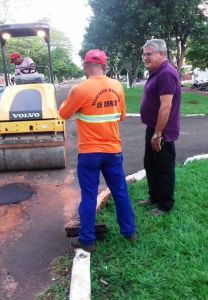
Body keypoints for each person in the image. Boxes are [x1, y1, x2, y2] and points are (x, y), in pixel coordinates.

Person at [59, 49, 137, 252]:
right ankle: (130, 233)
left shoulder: (80, 90)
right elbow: (121, 117)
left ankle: (87, 240)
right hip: (113, 151)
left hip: (90, 153)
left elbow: (63, 114)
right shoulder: (117, 86)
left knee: (89, 195)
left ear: (85, 66)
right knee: (120, 192)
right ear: (105, 66)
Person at [139, 39, 181, 216]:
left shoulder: (166, 73)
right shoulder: (156, 72)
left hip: (162, 132)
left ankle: (165, 205)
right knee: (151, 164)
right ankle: (154, 197)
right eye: (144, 54)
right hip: (153, 128)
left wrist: (157, 134)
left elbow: (166, 107)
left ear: (162, 54)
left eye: (149, 54)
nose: (145, 58)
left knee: (164, 168)